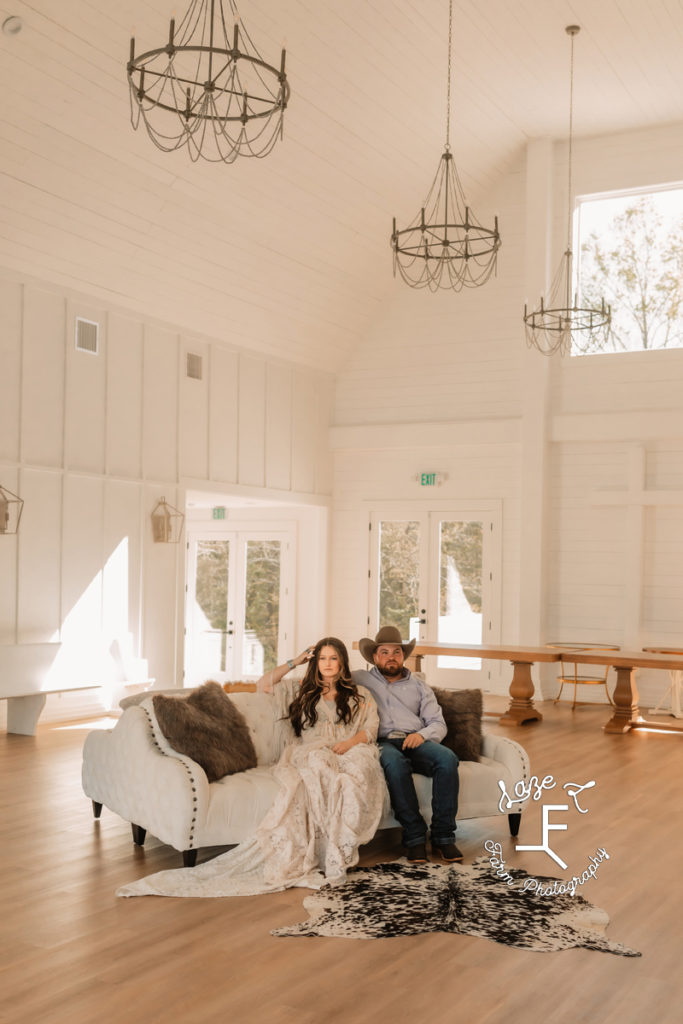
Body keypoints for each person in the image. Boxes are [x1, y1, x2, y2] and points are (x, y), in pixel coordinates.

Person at [117, 637, 385, 898]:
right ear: (315, 662)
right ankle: (329, 855)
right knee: (320, 769)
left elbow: (370, 727)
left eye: (333, 658)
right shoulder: (301, 689)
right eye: (323, 658)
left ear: (342, 663)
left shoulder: (359, 695)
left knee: (353, 780)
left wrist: (351, 742)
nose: (327, 663)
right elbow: (263, 683)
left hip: (350, 749)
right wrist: (297, 660)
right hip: (313, 752)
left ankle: (337, 853)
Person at [352, 625, 462, 865]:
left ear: (403, 656)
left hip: (416, 739)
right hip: (382, 742)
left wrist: (422, 735)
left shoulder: (420, 687)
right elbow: (327, 677)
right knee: (394, 762)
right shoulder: (360, 678)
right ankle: (414, 837)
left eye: (396, 652)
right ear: (374, 656)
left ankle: (443, 836)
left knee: (447, 759)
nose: (391, 657)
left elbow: (437, 722)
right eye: (384, 652)